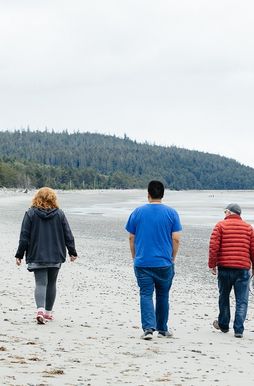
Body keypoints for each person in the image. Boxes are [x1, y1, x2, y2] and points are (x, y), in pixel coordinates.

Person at [125, 180, 182, 340]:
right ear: (162, 194)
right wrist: (173, 257)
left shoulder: (138, 212)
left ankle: (148, 329)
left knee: (145, 294)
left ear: (148, 194)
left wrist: (134, 255)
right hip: (164, 262)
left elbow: (131, 237)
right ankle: (162, 329)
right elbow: (176, 238)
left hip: (143, 262)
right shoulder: (171, 213)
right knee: (163, 295)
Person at [15, 187, 78, 324]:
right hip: (55, 255)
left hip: (37, 254)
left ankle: (40, 310)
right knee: (52, 283)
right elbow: (68, 235)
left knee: (40, 283)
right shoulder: (59, 214)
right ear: (53, 199)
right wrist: (72, 252)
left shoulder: (30, 213)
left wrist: (19, 254)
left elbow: (24, 237)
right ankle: (48, 313)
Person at [208, 203, 254, 338]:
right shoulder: (248, 228)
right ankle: (238, 329)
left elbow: (213, 247)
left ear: (229, 212)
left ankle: (223, 324)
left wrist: (212, 264)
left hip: (225, 268)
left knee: (224, 296)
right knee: (242, 300)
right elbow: (253, 249)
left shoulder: (220, 226)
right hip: (243, 268)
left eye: (225, 211)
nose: (224, 214)